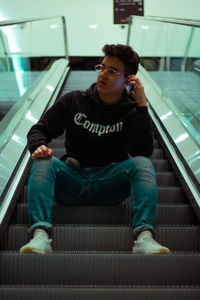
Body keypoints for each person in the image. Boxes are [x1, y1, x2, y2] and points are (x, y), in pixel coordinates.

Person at [20, 44, 170, 255]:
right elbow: (39, 130)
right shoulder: (74, 100)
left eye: (112, 71)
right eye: (102, 67)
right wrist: (40, 146)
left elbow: (142, 152)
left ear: (128, 79)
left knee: (143, 164)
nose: (103, 74)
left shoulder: (131, 111)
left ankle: (143, 238)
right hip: (71, 181)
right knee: (44, 161)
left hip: (109, 185)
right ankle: (40, 236)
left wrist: (141, 107)